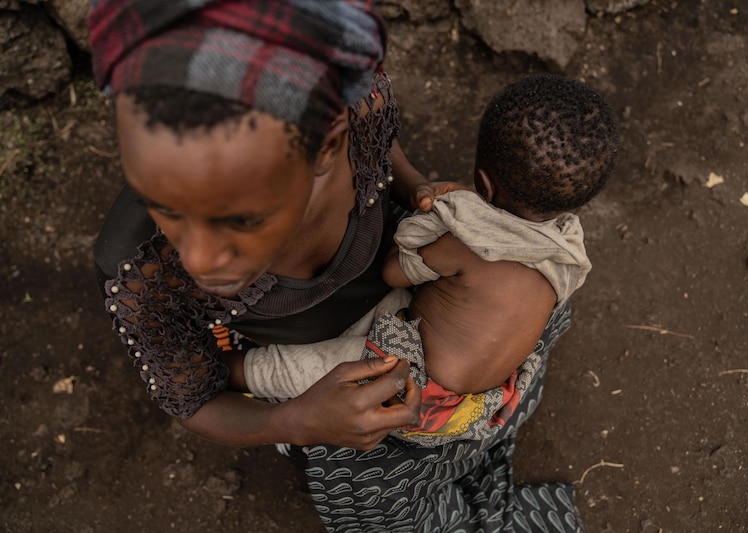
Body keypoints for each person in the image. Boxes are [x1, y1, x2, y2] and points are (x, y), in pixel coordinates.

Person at [87, 1, 600, 531]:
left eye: (238, 219)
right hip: (314, 375)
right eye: (161, 204)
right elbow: (195, 403)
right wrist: (296, 420)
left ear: (331, 143)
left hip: (419, 310)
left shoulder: (356, 104)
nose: (198, 260)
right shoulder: (140, 272)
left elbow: (383, 150)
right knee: (369, 486)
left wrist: (415, 188)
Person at [241, 74, 614, 449]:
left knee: (294, 369)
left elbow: (393, 274)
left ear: (483, 186)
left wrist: (431, 224)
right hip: (481, 402)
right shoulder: (566, 252)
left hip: (416, 383)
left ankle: (236, 374)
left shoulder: (468, 243)